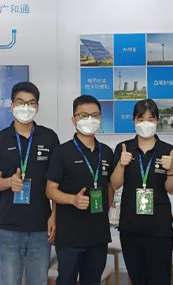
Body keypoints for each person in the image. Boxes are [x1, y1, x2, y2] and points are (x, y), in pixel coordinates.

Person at [0, 82, 60, 285]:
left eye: (31, 103)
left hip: (41, 227)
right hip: (8, 227)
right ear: (12, 106)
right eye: (20, 102)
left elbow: (56, 183)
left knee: (39, 281)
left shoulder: (49, 138)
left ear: (37, 107)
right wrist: (9, 182)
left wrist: (54, 216)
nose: (26, 107)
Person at [46, 95, 114, 285]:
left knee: (92, 281)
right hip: (70, 236)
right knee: (66, 280)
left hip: (98, 235)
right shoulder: (62, 152)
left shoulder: (106, 152)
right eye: (83, 115)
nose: (90, 120)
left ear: (100, 119)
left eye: (94, 115)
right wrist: (72, 200)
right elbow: (50, 190)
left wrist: (105, 208)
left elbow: (110, 185)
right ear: (74, 120)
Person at [110, 99, 173, 285]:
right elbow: (115, 184)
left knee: (160, 279)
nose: (146, 124)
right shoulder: (124, 148)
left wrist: (171, 169)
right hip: (130, 226)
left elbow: (172, 189)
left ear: (157, 121)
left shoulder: (167, 150)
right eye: (141, 119)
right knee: (137, 278)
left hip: (159, 227)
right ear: (134, 121)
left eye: (150, 119)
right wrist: (121, 164)